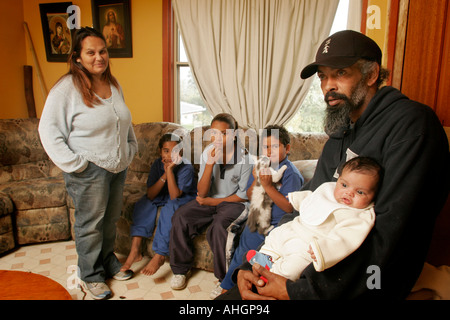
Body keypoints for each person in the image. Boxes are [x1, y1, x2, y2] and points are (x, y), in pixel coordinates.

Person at [218, 30, 449, 300]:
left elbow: (391, 239)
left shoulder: (412, 127)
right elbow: (306, 212)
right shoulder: (338, 137)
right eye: (323, 77)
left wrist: (297, 291)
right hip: (304, 266)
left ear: (371, 74)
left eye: (340, 73)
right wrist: (255, 265)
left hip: (358, 282)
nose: (328, 86)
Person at [38, 27, 138, 300]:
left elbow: (123, 120)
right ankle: (90, 275)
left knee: (109, 221)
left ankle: (107, 262)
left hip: (117, 167)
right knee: (90, 225)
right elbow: (48, 131)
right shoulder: (66, 89)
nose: (99, 57)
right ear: (77, 57)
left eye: (103, 51)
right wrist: (77, 164)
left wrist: (131, 148)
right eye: (91, 52)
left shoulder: (113, 84)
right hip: (89, 170)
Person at [249, 156, 380, 282]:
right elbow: (314, 197)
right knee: (275, 236)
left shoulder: (360, 216)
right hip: (295, 227)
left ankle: (274, 274)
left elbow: (346, 240)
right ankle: (266, 257)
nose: (349, 193)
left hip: (309, 245)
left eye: (360, 192)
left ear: (373, 195)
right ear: (339, 179)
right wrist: (297, 198)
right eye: (344, 185)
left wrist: (322, 250)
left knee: (296, 266)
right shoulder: (329, 189)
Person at [216, 125, 303, 297]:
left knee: (262, 263)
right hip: (257, 222)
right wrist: (257, 181)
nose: (269, 151)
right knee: (242, 254)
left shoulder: (290, 173)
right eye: (265, 147)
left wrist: (268, 186)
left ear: (287, 148)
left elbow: (289, 207)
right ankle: (227, 286)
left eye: (275, 146)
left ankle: (252, 289)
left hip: (279, 228)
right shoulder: (261, 166)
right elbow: (249, 195)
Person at [169, 113, 253, 290]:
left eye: (224, 133)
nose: (218, 138)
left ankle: (224, 280)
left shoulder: (246, 158)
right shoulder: (208, 153)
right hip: (209, 199)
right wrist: (209, 164)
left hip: (234, 204)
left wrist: (212, 203)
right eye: (214, 133)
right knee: (181, 216)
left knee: (219, 226)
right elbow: (201, 191)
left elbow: (244, 196)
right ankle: (180, 270)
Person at [120, 133, 196, 275]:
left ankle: (159, 255)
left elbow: (174, 196)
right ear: (160, 151)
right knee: (144, 203)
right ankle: (135, 251)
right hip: (163, 194)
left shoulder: (187, 167)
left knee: (170, 208)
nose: (170, 155)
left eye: (175, 151)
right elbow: (151, 194)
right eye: (166, 151)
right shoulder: (157, 164)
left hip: (182, 198)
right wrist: (164, 174)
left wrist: (170, 171)